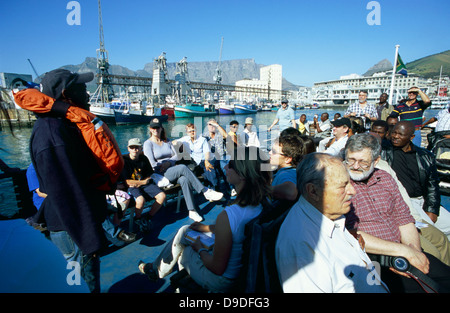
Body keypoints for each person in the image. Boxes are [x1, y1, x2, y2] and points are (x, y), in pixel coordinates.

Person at [22, 69, 111, 292]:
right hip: (73, 229)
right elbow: (65, 192)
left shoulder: (62, 125)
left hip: (77, 224)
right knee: (83, 285)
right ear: (65, 94)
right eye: (81, 88)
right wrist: (89, 239)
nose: (88, 93)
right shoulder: (53, 134)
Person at [138, 146, 272, 292]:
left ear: (243, 174)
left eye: (231, 165)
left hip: (222, 280)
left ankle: (172, 282)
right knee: (185, 230)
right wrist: (206, 228)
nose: (226, 166)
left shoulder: (228, 215)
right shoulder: (262, 203)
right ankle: (155, 269)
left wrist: (200, 249)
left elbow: (217, 268)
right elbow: (234, 231)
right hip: (242, 269)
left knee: (184, 251)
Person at [343, 133, 450, 293]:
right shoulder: (340, 184)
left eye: (363, 162)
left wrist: (413, 251)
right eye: (351, 160)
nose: (355, 166)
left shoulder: (385, 178)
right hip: (371, 258)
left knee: (445, 277)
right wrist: (402, 252)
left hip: (402, 248)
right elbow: (348, 233)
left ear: (376, 161)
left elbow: (404, 219)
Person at [276, 153, 388, 293]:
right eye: (343, 186)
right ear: (313, 191)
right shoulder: (303, 246)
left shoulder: (330, 215)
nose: (352, 191)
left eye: (350, 183)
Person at [143, 118, 224, 222]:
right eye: (153, 128)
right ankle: (205, 190)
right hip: (159, 173)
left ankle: (192, 211)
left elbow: (176, 156)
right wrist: (167, 163)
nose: (156, 130)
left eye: (157, 127)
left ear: (161, 128)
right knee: (182, 167)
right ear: (150, 129)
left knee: (184, 180)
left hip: (172, 170)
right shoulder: (148, 144)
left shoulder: (167, 141)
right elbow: (151, 163)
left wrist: (168, 162)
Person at [381, 121, 450, 239]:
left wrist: (432, 210)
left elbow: (432, 185)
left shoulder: (425, 156)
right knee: (429, 231)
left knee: (448, 224)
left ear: (411, 137)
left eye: (400, 134)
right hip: (405, 201)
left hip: (422, 200)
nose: (395, 136)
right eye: (394, 133)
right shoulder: (383, 152)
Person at [122, 138, 166, 232]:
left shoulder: (144, 158)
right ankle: (138, 219)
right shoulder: (124, 161)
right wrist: (141, 182)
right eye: (132, 147)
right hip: (132, 186)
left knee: (162, 196)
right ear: (128, 149)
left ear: (141, 148)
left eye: (137, 147)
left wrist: (144, 181)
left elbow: (149, 175)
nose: (135, 149)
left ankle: (148, 217)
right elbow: (127, 182)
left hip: (144, 184)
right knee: (141, 200)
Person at [178, 123, 217, 188]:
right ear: (187, 132)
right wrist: (176, 144)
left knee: (209, 168)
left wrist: (206, 161)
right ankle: (206, 187)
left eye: (193, 130)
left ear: (196, 131)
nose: (192, 132)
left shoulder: (202, 139)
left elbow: (207, 152)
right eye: (190, 131)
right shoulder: (185, 139)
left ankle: (214, 189)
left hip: (204, 159)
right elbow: (174, 142)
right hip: (194, 163)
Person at [269, 134, 304, 202]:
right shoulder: (292, 170)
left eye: (274, 152)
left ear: (287, 159)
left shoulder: (286, 173)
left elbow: (291, 191)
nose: (270, 153)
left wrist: (262, 190)